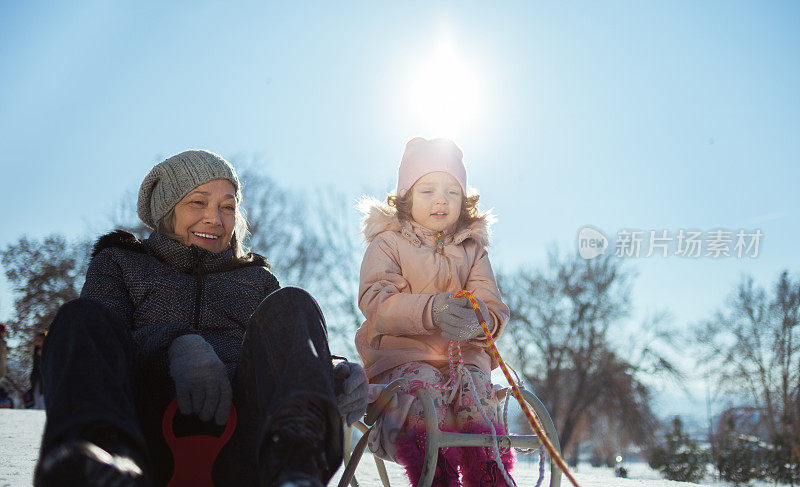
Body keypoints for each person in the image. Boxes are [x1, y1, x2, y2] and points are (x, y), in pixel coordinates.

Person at [34, 150, 368, 487]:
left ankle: (296, 470)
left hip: (246, 451)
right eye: (198, 203)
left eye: (227, 207)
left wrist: (329, 369)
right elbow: (105, 348)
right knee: (82, 318)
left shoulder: (256, 279)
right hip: (144, 443)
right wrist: (178, 344)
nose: (215, 219)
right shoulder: (120, 263)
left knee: (293, 303)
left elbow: (283, 349)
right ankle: (98, 463)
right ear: (168, 210)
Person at [355, 138, 513, 486]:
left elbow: (494, 307)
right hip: (401, 359)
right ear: (406, 197)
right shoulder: (388, 243)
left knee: (478, 390)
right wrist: (433, 309)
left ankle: (489, 474)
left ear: (464, 200)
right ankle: (436, 474)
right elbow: (377, 301)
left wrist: (480, 319)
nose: (441, 199)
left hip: (464, 358)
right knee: (425, 389)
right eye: (427, 190)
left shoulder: (473, 250)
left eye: (452, 191)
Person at [24, 332, 46, 409]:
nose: (37, 342)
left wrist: (43, 356)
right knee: (36, 396)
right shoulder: (36, 351)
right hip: (37, 378)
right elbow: (35, 367)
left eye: (39, 340)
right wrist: (31, 378)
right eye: (36, 340)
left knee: (43, 397)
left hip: (46, 378)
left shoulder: (48, 349)